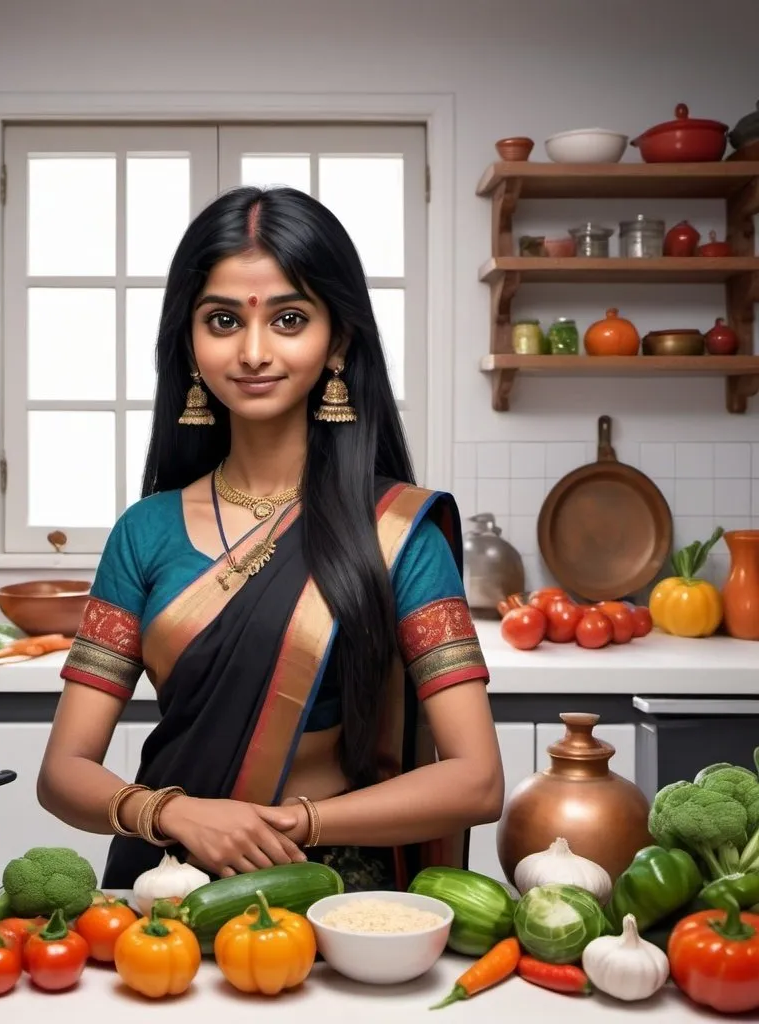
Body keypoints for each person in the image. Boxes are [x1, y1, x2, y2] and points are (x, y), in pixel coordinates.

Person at [37, 185, 503, 892]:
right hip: (165, 887)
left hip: (338, 897)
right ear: (190, 342)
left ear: (337, 338)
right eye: (222, 320)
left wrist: (291, 825)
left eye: (289, 318)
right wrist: (175, 814)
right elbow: (61, 774)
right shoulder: (145, 532)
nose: (254, 352)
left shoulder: (398, 534)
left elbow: (476, 782)